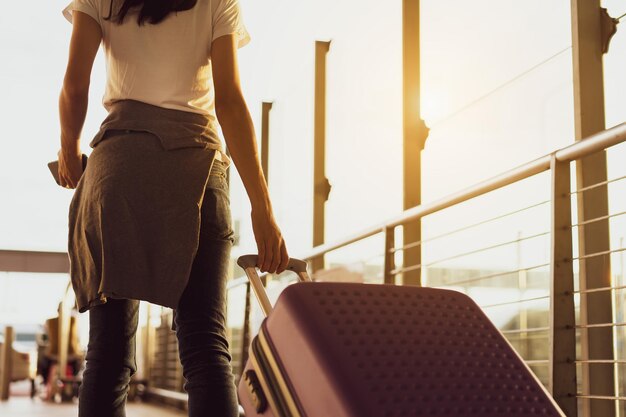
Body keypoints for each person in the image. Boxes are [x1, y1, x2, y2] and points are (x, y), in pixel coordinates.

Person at [56, 0, 289, 416]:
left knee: (107, 355)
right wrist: (262, 208)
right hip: (197, 168)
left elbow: (75, 86)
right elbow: (231, 103)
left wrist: (70, 149)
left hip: (120, 171)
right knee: (206, 347)